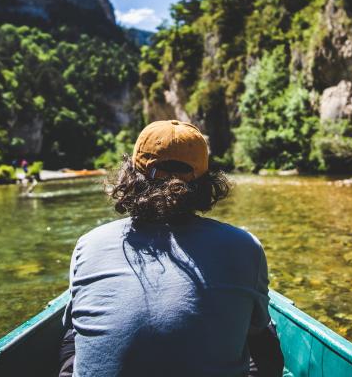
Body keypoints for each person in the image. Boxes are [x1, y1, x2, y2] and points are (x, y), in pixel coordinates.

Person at [60, 120, 283, 377]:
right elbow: (255, 332)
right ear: (206, 182)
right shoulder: (245, 247)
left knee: (71, 333)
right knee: (262, 330)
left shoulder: (89, 244)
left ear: (130, 175)